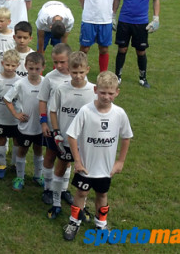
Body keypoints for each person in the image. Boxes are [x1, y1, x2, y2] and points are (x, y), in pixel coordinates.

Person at [62, 71, 132, 241]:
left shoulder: (119, 113)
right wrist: (77, 161)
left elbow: (126, 137)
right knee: (81, 194)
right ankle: (73, 222)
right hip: (85, 167)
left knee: (102, 195)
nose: (106, 97)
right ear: (95, 90)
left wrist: (120, 161)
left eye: (110, 93)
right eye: (102, 92)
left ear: (117, 92)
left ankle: (101, 224)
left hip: (105, 169)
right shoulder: (86, 111)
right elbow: (71, 136)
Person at [47, 51, 94, 219]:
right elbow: (53, 111)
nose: (78, 76)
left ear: (87, 70)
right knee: (61, 166)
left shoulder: (94, 91)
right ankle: (56, 202)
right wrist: (56, 131)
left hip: (86, 142)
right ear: (69, 69)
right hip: (66, 139)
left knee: (84, 174)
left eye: (81, 72)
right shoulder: (61, 89)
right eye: (74, 72)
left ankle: (81, 206)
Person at [112, 0, 161, 88]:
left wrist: (156, 18)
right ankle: (117, 76)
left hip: (141, 22)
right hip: (124, 21)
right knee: (122, 49)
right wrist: (113, 16)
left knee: (141, 51)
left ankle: (142, 78)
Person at [4, 52, 45, 191]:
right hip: (25, 127)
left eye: (37, 69)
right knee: (22, 150)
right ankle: (20, 177)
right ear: (26, 66)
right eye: (31, 68)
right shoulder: (20, 83)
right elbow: (7, 99)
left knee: (39, 151)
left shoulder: (46, 83)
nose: (34, 72)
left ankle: (38, 175)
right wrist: (16, 114)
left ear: (43, 68)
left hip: (40, 127)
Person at [37, 44, 72, 205]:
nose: (58, 66)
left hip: (71, 127)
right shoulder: (50, 77)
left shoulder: (78, 76)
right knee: (50, 155)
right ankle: (48, 188)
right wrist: (44, 122)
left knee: (67, 158)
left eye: (62, 62)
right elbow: (43, 100)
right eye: (55, 62)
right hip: (53, 126)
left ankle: (63, 189)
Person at [0, 50, 20, 178]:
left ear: (17, 65)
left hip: (15, 118)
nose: (10, 68)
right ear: (2, 63)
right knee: (1, 139)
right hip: (0, 117)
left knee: (17, 140)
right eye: (7, 65)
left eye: (13, 65)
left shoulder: (20, 80)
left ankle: (15, 164)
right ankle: (1, 164)